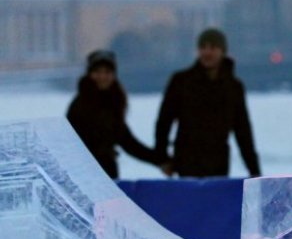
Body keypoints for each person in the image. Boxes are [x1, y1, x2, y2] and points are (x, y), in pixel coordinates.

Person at [155, 28, 261, 178]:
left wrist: (254, 170)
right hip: (186, 163)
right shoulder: (181, 81)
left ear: (222, 51)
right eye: (203, 47)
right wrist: (162, 158)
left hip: (218, 165)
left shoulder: (233, 87)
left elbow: (243, 131)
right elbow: (164, 122)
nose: (207, 52)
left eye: (212, 47)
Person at [67, 50, 166, 179]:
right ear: (90, 74)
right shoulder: (79, 106)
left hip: (108, 174)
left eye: (107, 72)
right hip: (85, 176)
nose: (102, 76)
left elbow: (128, 142)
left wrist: (161, 160)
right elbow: (70, 147)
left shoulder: (113, 103)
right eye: (97, 72)